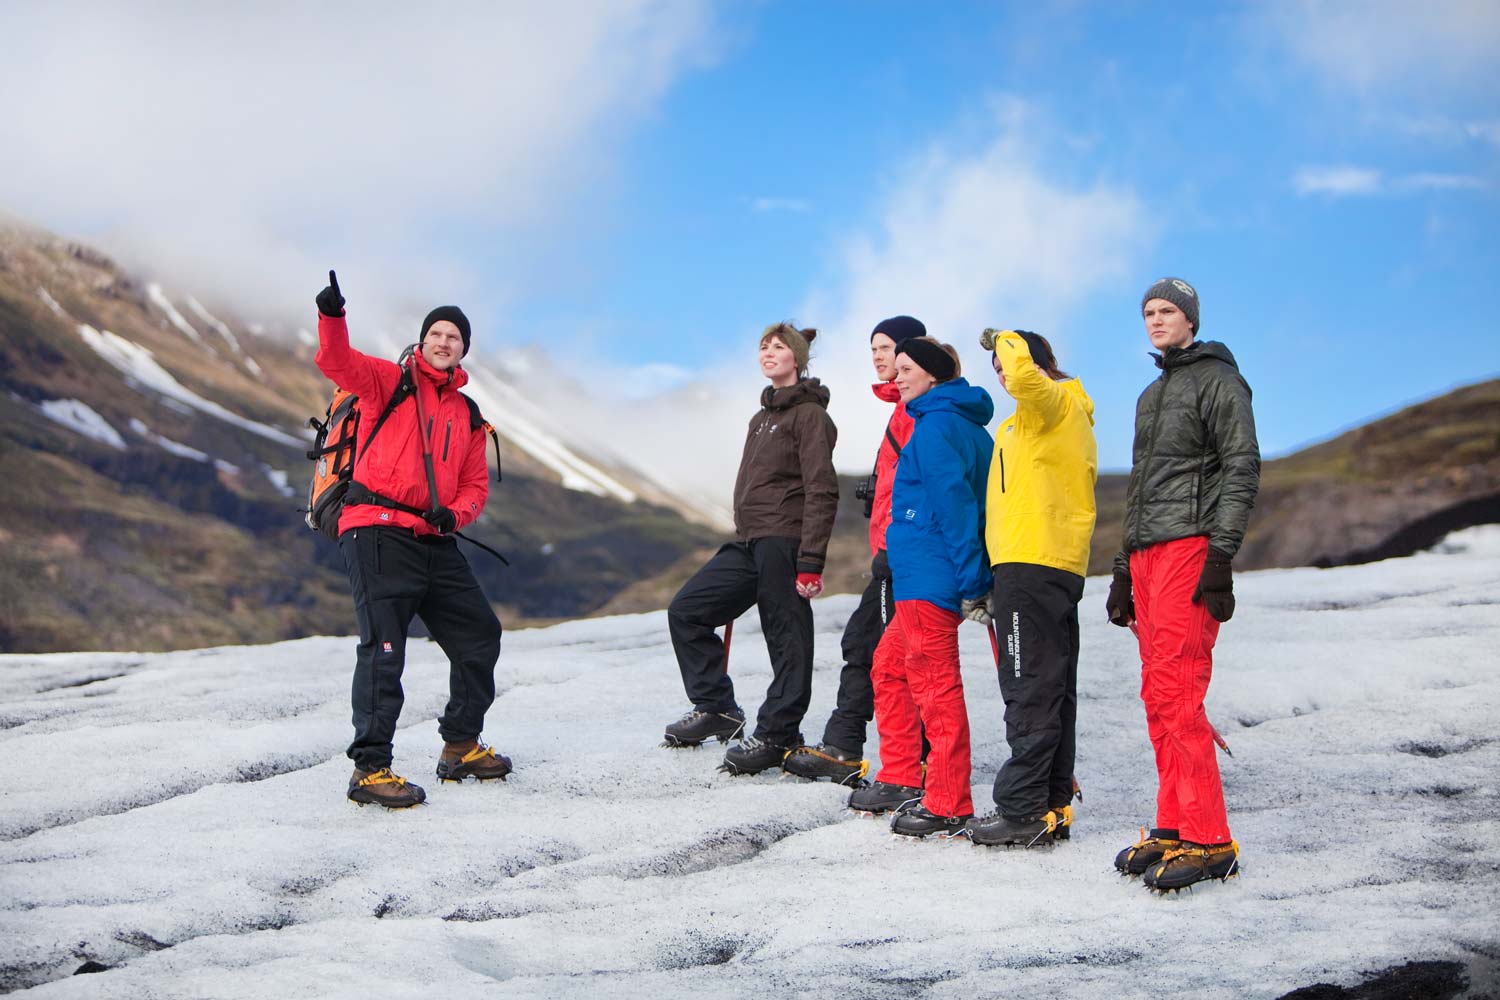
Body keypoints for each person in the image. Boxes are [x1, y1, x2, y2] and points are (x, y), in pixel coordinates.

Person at [314, 271, 511, 809]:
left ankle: (460, 746)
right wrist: (332, 317)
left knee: (480, 635)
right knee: (384, 648)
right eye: (437, 333)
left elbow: (474, 485)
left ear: (464, 349)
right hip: (375, 528)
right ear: (423, 340)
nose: (444, 342)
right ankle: (371, 770)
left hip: (433, 538)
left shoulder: (468, 415)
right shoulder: (387, 381)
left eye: (455, 336)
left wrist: (456, 515)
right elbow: (337, 364)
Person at [1106, 277, 1259, 890]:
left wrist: (1220, 556)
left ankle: (1210, 838)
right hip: (1147, 554)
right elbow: (1141, 488)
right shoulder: (1151, 394)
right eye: (1148, 311)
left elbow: (1241, 466)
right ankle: (1174, 826)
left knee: (1179, 691)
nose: (1156, 319)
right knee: (1157, 694)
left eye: (1167, 310)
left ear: (1191, 318)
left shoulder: (1220, 380)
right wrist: (1121, 569)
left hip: (1191, 548)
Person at [662, 322, 839, 775]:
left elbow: (822, 489)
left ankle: (779, 734)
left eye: (779, 347)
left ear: (796, 359)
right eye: (763, 346)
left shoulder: (810, 417)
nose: (769, 353)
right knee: (687, 610)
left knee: (787, 638)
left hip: (784, 541)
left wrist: (811, 560)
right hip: (748, 540)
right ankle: (717, 708)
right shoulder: (761, 418)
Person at [852, 337, 994, 837]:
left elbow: (957, 509)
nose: (898, 377)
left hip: (930, 574)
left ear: (933, 375)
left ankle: (949, 801)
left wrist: (974, 579)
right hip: (923, 571)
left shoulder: (934, 428)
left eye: (907, 369)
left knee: (935, 687)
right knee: (889, 667)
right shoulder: (968, 427)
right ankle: (902, 775)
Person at [967, 329, 1097, 848]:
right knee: (1054, 687)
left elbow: (1024, 375)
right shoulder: (1028, 421)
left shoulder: (1053, 403)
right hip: (1050, 561)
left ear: (1044, 362)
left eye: (1005, 364)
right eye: (995, 367)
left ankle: (1021, 809)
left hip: (1031, 559)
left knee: (1028, 687)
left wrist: (1005, 339)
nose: (1002, 373)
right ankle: (1050, 803)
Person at [783, 315, 926, 785]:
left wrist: (896, 542)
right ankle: (917, 754)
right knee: (892, 650)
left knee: (872, 646)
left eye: (886, 348)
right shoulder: (902, 408)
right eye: (873, 350)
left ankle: (847, 748)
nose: (879, 358)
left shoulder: (917, 409)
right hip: (894, 552)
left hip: (903, 555)